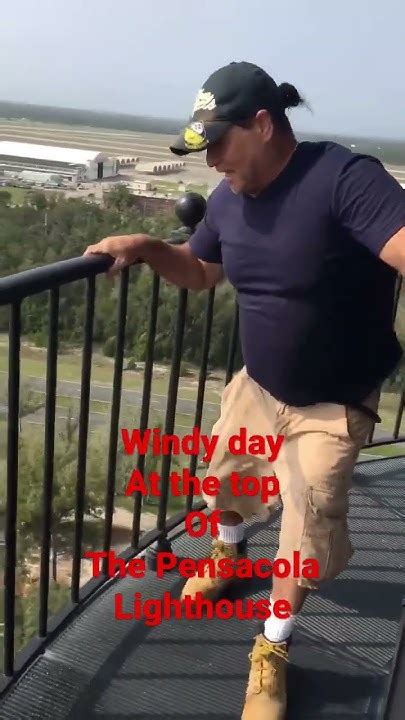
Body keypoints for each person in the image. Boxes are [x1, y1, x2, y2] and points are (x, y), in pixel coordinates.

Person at [84, 61, 405, 720]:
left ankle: (271, 652)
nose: (211, 166)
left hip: (332, 400)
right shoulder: (230, 197)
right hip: (257, 386)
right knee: (225, 478)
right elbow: (202, 272)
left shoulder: (344, 179)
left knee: (305, 524)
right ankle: (227, 554)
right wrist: (147, 245)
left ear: (262, 125)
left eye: (218, 145)